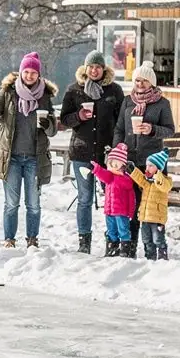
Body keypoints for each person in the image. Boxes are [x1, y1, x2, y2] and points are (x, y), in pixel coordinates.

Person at [0, 52, 57, 248]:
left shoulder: (45, 96)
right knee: (11, 203)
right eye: (26, 71)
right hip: (11, 157)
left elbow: (53, 130)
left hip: (35, 158)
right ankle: (9, 239)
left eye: (33, 72)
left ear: (38, 75)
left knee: (34, 204)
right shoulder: (8, 92)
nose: (29, 76)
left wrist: (47, 124)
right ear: (21, 72)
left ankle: (32, 239)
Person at [59, 49, 125, 253]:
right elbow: (64, 120)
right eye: (91, 67)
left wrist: (117, 147)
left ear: (103, 69)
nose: (95, 70)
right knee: (85, 199)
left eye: (98, 67)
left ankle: (113, 240)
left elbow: (120, 123)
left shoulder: (114, 91)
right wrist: (78, 116)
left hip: (108, 156)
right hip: (81, 152)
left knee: (112, 199)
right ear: (85, 68)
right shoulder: (74, 90)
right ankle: (84, 242)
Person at [112, 62, 175, 255]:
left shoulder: (162, 103)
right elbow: (120, 129)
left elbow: (170, 131)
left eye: (144, 80)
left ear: (151, 83)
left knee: (151, 205)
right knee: (131, 205)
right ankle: (129, 246)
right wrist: (118, 149)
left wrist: (152, 129)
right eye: (137, 80)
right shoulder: (127, 101)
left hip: (152, 162)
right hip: (130, 162)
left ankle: (155, 247)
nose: (139, 84)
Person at [91, 143, 136, 257]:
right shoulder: (110, 177)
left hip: (121, 211)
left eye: (115, 163)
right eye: (110, 163)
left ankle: (125, 248)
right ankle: (112, 247)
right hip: (109, 210)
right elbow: (103, 174)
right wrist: (97, 169)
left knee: (123, 229)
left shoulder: (125, 180)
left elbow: (131, 198)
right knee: (111, 230)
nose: (112, 166)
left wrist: (131, 212)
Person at [127, 150, 173, 260]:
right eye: (147, 165)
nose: (147, 168)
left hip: (157, 219)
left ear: (158, 168)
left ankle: (162, 256)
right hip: (145, 217)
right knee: (146, 239)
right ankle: (150, 256)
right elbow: (140, 178)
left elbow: (164, 187)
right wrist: (132, 170)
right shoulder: (147, 182)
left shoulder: (165, 181)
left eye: (150, 166)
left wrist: (157, 176)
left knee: (158, 239)